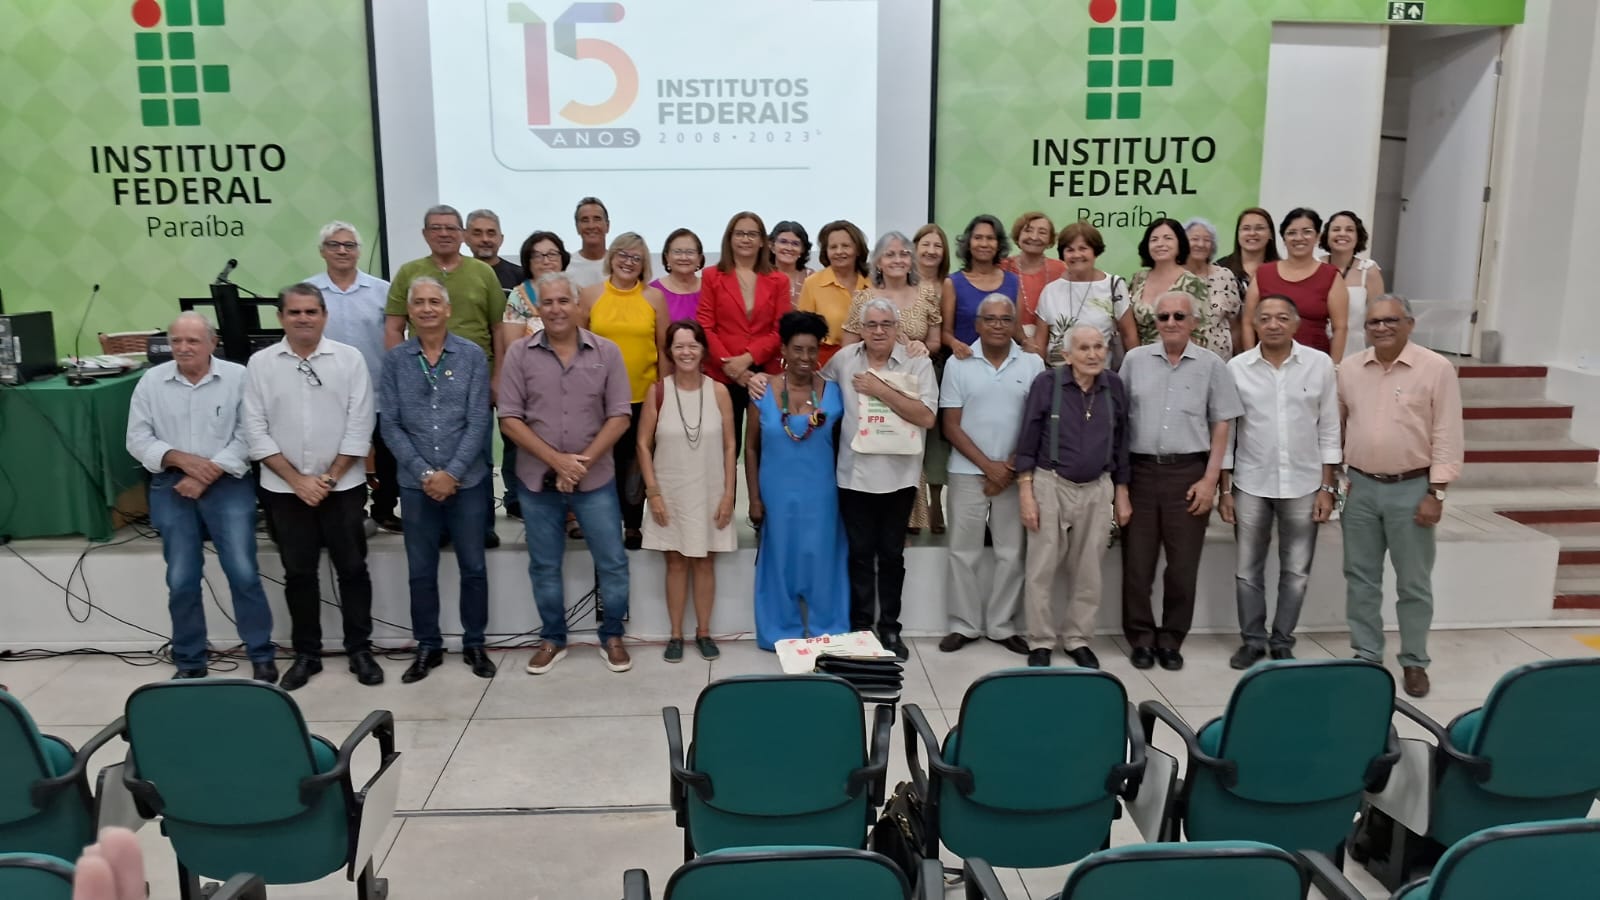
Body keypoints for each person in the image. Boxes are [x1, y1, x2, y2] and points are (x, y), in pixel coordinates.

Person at [244, 283, 381, 691]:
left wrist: (329, 477)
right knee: (299, 573)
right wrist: (297, 481)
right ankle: (307, 654)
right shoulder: (261, 364)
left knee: (352, 569)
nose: (303, 319)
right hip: (285, 490)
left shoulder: (349, 359)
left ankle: (360, 649)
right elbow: (254, 429)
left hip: (343, 485)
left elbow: (360, 424)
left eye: (311, 311)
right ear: (280, 317)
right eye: (294, 312)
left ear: (324, 315)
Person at [126, 312, 277, 682]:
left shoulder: (239, 378)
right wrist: (182, 461)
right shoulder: (151, 381)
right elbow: (137, 439)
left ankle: (261, 653)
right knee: (181, 579)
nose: (183, 348)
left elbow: (249, 434)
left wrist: (207, 472)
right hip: (171, 486)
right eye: (176, 341)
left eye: (192, 341)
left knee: (243, 573)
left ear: (213, 343)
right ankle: (190, 661)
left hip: (228, 484)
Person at [499, 272, 634, 675]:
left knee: (612, 562)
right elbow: (509, 419)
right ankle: (552, 638)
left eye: (563, 301)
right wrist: (557, 462)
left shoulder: (607, 352)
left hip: (595, 480)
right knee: (544, 564)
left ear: (578, 307)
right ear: (538, 309)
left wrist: (579, 465)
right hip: (537, 482)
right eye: (548, 302)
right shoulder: (519, 354)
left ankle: (612, 634)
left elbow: (620, 416)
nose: (556, 309)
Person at [1339, 295, 1463, 699]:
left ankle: (1414, 661)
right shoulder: (1349, 370)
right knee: (1360, 578)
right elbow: (1338, 426)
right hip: (1360, 487)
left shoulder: (1436, 368)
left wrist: (1436, 492)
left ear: (1409, 324)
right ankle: (1367, 655)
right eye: (1373, 322)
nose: (1381, 328)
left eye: (1391, 320)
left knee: (1413, 582)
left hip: (1412, 488)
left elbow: (1447, 432)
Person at [378, 277, 497, 683]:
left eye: (434, 302)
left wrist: (453, 472)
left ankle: (475, 643)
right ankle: (427, 645)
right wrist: (427, 473)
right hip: (416, 485)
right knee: (420, 571)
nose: (427, 308)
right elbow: (390, 425)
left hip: (468, 482)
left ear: (447, 310)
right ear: (409, 311)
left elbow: (479, 420)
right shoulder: (395, 360)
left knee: (473, 567)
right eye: (419, 302)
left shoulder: (472, 355)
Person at [1118, 291, 1243, 671]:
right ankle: (1141, 639)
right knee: (1137, 566)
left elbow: (1222, 424)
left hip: (1189, 474)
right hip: (1140, 472)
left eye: (1179, 316)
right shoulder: (1135, 361)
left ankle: (1172, 639)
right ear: (1155, 322)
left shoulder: (1212, 365)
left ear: (1194, 322)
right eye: (1163, 316)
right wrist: (1120, 485)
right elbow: (1119, 420)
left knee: (1183, 566)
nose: (1170, 322)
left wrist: (1210, 480)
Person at [1218, 296, 1341, 669]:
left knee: (1297, 571)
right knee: (1247, 571)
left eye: (1282, 318)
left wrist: (1327, 487)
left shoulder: (1319, 365)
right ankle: (1253, 641)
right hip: (1250, 483)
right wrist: (1225, 489)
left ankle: (1282, 640)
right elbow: (1228, 432)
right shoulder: (1237, 368)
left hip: (1305, 483)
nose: (1273, 324)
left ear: (1296, 323)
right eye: (1266, 318)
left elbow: (1329, 427)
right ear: (1255, 324)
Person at [384, 204, 507, 546]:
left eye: (451, 228)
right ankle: (434, 527)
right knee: (424, 449)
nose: (444, 234)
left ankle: (480, 526)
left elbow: (498, 328)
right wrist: (400, 371)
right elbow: (393, 327)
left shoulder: (483, 273)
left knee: (478, 454)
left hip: (474, 377)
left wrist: (498, 376)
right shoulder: (409, 272)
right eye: (436, 228)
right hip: (420, 376)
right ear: (425, 234)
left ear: (462, 234)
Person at [824, 298, 938, 659]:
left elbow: (927, 417)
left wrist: (880, 390)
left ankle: (890, 628)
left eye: (886, 324)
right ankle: (860, 628)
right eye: (871, 324)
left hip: (899, 476)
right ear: (860, 328)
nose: (878, 331)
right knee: (859, 556)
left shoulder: (917, 361)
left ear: (897, 328)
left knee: (891, 556)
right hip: (853, 476)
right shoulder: (844, 360)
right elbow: (814, 387)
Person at [1015, 325, 1132, 669]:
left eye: (1099, 347)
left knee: (1089, 570)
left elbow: (1122, 442)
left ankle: (1078, 639)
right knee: (1041, 568)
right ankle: (1040, 641)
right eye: (1084, 348)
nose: (1093, 354)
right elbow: (1027, 440)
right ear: (1066, 355)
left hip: (1098, 486)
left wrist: (1122, 492)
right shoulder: (1046, 384)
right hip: (1050, 483)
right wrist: (1026, 492)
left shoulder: (1114, 386)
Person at [938, 294, 1043, 655]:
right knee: (962, 552)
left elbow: (1037, 423)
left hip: (1015, 475)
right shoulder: (958, 363)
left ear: (1015, 325)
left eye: (1005, 319)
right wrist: (989, 467)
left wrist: (1009, 467)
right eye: (990, 319)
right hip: (967, 472)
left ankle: (1001, 626)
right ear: (978, 324)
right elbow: (950, 426)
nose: (998, 325)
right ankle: (963, 625)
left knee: (1010, 553)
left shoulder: (1032, 363)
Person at [746, 311, 850, 650]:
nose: (805, 357)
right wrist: (754, 498)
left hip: (822, 492)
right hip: (776, 493)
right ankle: (780, 629)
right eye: (798, 349)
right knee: (779, 559)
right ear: (784, 350)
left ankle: (828, 626)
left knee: (823, 557)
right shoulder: (762, 390)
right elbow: (750, 448)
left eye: (812, 349)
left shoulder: (834, 392)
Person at [638, 320, 736, 662]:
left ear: (703, 350)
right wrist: (653, 493)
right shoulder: (658, 392)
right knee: (676, 562)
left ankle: (704, 633)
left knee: (705, 561)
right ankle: (676, 634)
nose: (686, 352)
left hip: (710, 488)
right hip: (670, 490)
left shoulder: (719, 392)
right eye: (679, 346)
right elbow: (642, 444)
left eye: (692, 345)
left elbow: (730, 446)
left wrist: (729, 495)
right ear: (669, 351)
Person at [841, 231, 942, 532]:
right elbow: (848, 347)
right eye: (890, 254)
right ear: (878, 262)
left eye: (904, 254)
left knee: (906, 448)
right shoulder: (864, 297)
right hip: (868, 391)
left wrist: (923, 347)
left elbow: (935, 341)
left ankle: (906, 522)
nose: (898, 260)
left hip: (911, 388)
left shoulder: (926, 293)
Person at [580, 233, 670, 550]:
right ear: (612, 257)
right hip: (599, 399)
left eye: (636, 257)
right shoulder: (590, 295)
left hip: (643, 397)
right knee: (602, 462)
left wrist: (663, 395)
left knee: (635, 463)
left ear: (644, 263)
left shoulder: (655, 298)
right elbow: (578, 347)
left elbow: (663, 349)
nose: (628, 262)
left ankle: (632, 524)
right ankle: (603, 523)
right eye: (623, 255)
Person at [305, 221, 396, 534]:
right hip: (326, 394)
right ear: (322, 251)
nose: (342, 251)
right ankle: (348, 511)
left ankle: (384, 510)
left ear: (358, 251)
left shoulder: (382, 291)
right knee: (337, 454)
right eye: (334, 245)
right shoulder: (308, 292)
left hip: (379, 388)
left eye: (349, 245)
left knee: (387, 455)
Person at [699, 211, 790, 453]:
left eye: (752, 234)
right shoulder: (711, 275)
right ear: (729, 239)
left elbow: (781, 329)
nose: (746, 239)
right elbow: (705, 326)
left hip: (765, 372)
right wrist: (731, 367)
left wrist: (747, 359)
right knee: (723, 447)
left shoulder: (779, 280)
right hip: (722, 372)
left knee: (764, 446)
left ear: (762, 241)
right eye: (739, 233)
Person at [498, 229, 570, 520]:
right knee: (528, 452)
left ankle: (569, 512)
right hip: (531, 389)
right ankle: (528, 509)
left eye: (552, 254)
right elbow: (513, 347)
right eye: (537, 255)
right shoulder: (518, 296)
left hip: (570, 388)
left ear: (562, 258)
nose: (546, 260)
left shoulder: (573, 291)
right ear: (528, 261)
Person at [1243, 207, 1351, 361]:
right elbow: (1248, 322)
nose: (1299, 238)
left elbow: (1340, 328)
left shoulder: (1330, 275)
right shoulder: (1263, 273)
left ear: (1317, 236)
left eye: (1307, 232)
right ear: (1283, 238)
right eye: (1292, 233)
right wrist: (1250, 359)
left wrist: (1334, 366)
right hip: (1266, 361)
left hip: (1313, 363)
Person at [1031, 220, 1136, 367]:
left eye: (1083, 248)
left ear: (1095, 251)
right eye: (1070, 250)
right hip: (1057, 376)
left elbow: (1129, 335)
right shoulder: (1050, 291)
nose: (1077, 255)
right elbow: (1040, 343)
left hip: (1099, 374)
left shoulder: (1114, 286)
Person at [914, 223, 954, 533]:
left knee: (938, 440)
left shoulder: (949, 285)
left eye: (937, 245)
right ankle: (912, 509)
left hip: (942, 367)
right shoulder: (901, 282)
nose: (931, 251)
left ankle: (936, 502)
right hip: (907, 372)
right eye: (925, 244)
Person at [942, 214, 1020, 360]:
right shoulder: (952, 283)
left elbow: (1017, 331)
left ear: (999, 244)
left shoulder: (1013, 282)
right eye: (978, 238)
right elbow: (945, 333)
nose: (984, 244)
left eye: (990, 238)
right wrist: (955, 344)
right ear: (968, 243)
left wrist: (1030, 344)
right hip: (965, 361)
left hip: (1004, 364)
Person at [797, 219, 871, 366]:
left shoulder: (874, 283)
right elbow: (802, 332)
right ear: (826, 252)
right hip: (825, 363)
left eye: (845, 246)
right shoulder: (812, 283)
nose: (839, 251)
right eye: (833, 247)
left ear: (858, 250)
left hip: (870, 360)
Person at [1127, 218, 1209, 346]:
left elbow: (1199, 333)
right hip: (1139, 354)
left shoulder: (1193, 283)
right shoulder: (1137, 279)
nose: (1160, 244)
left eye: (1168, 238)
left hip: (1178, 354)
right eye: (1154, 239)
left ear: (1180, 243)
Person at [1319, 211, 1387, 358]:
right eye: (1336, 229)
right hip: (1316, 350)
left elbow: (1379, 317)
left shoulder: (1369, 270)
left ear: (1358, 236)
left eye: (1349, 230)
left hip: (1354, 352)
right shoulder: (1315, 266)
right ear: (1326, 235)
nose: (1342, 234)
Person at [1001, 211, 1068, 343]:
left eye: (1042, 232)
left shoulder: (1061, 270)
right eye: (1028, 230)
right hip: (1007, 342)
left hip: (1050, 343)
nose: (1034, 237)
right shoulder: (1002, 267)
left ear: (1050, 240)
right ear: (1018, 235)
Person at [1184, 217, 1245, 360]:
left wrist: (1238, 358)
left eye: (1207, 240)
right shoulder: (1173, 276)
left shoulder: (1224, 275)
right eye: (1195, 239)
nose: (1201, 244)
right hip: (1182, 359)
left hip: (1220, 360)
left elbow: (1235, 324)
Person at [1216, 207, 1281, 295]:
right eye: (1246, 228)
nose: (1252, 233)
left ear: (1270, 234)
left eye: (1259, 228)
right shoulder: (1219, 268)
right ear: (1238, 233)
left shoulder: (1282, 271)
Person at [651, 228, 704, 323]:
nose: (683, 257)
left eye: (690, 252)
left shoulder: (710, 288)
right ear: (667, 257)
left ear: (699, 258)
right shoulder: (652, 291)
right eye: (677, 252)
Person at [466, 208, 525, 290]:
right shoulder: (456, 275)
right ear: (466, 238)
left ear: (501, 239)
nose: (485, 239)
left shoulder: (521, 277)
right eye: (477, 234)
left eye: (491, 233)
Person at [566, 196, 611, 289]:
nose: (591, 226)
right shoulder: (566, 266)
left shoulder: (619, 265)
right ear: (577, 228)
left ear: (607, 226)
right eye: (585, 220)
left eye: (597, 219)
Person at [769, 220, 814, 306]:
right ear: (772, 246)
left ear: (803, 249)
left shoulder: (811, 277)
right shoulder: (761, 275)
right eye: (783, 242)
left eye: (795, 244)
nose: (789, 248)